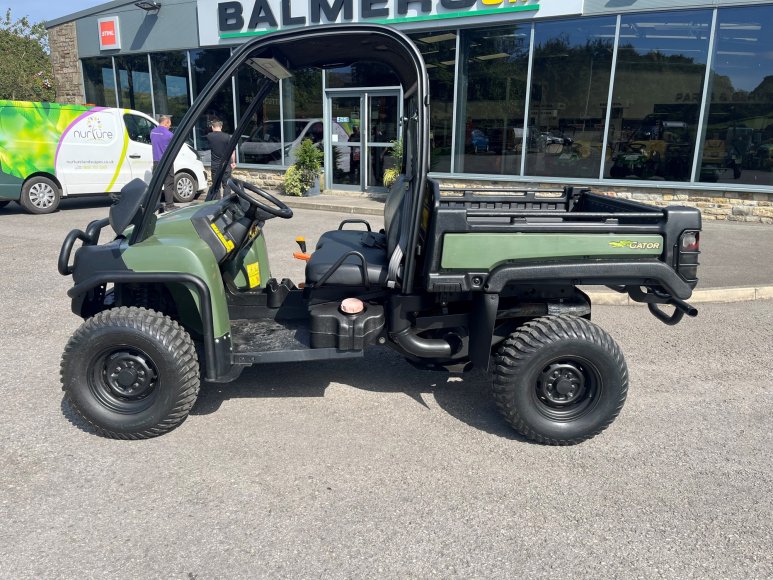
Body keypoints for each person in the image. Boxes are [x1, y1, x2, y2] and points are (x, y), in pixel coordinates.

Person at [150, 114, 177, 211]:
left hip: (156, 161)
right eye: (169, 124)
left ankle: (155, 205)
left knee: (156, 184)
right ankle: (169, 205)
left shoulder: (152, 132)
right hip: (166, 162)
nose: (170, 126)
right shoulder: (169, 134)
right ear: (166, 123)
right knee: (168, 183)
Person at [207, 119, 236, 200]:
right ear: (221, 127)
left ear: (213, 127)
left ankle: (217, 204)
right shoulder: (227, 137)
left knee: (216, 186)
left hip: (215, 165)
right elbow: (232, 150)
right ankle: (226, 203)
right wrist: (233, 162)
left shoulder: (209, 136)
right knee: (226, 185)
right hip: (226, 165)